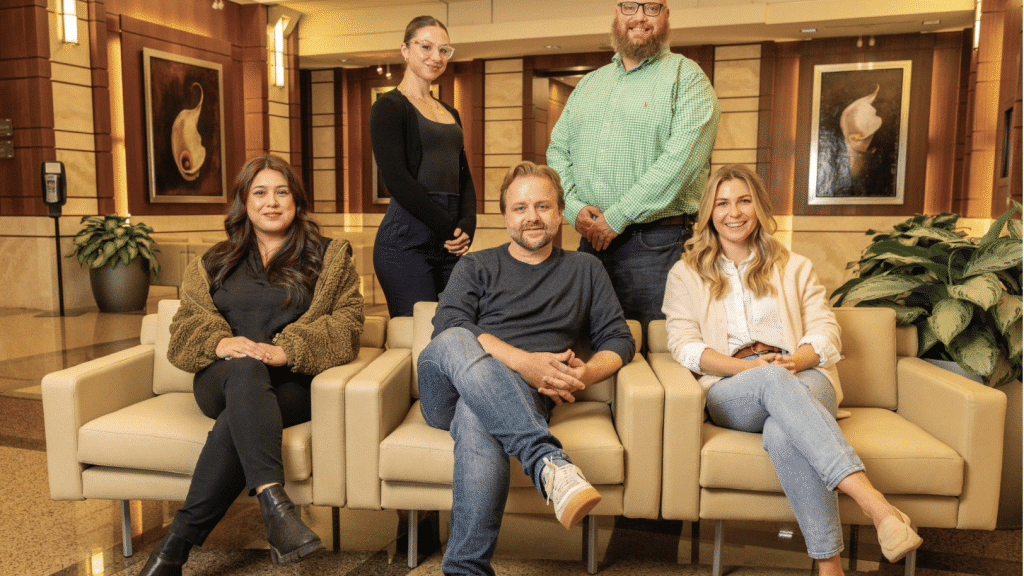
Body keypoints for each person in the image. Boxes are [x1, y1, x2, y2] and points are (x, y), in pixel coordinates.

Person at [662, 164, 922, 576]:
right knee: (766, 378)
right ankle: (876, 504)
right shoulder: (686, 273)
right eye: (723, 202)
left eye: (744, 200)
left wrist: (795, 361)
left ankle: (828, 568)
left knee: (784, 432)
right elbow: (685, 345)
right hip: (732, 387)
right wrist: (741, 368)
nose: (734, 212)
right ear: (709, 212)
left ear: (760, 207)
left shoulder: (794, 266)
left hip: (801, 373)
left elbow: (824, 330)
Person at [138, 155, 365, 576]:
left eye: (282, 192)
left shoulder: (329, 258)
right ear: (244, 202)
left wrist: (288, 350)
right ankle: (277, 512)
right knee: (244, 369)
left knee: (235, 421)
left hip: (291, 384)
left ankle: (176, 545)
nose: (271, 202)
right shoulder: (212, 261)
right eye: (259, 192)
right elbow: (183, 332)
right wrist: (221, 342)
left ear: (296, 200)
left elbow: (347, 326)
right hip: (220, 379)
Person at [418, 161, 635, 576]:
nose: (531, 217)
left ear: (559, 213)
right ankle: (547, 462)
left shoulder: (586, 269)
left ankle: (465, 570)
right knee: (454, 337)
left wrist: (580, 376)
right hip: (445, 386)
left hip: (515, 401)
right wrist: (526, 364)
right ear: (504, 216)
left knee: (476, 415)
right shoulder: (475, 265)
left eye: (542, 206)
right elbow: (447, 326)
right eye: (520, 208)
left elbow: (619, 341)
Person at [547, 0, 720, 338]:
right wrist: (575, 210)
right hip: (589, 244)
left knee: (654, 349)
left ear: (666, 16)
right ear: (616, 13)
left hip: (657, 247)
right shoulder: (588, 85)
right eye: (630, 6)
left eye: (651, 7)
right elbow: (557, 151)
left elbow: (680, 162)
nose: (639, 16)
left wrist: (617, 216)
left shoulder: (688, 77)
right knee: (590, 345)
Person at [370, 15, 476, 318]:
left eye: (444, 50)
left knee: (457, 329)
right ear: (405, 49)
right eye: (426, 47)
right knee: (418, 335)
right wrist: (449, 228)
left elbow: (464, 176)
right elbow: (398, 181)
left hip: (448, 240)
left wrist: (468, 223)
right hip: (406, 242)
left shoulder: (450, 111)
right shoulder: (389, 107)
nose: (436, 57)